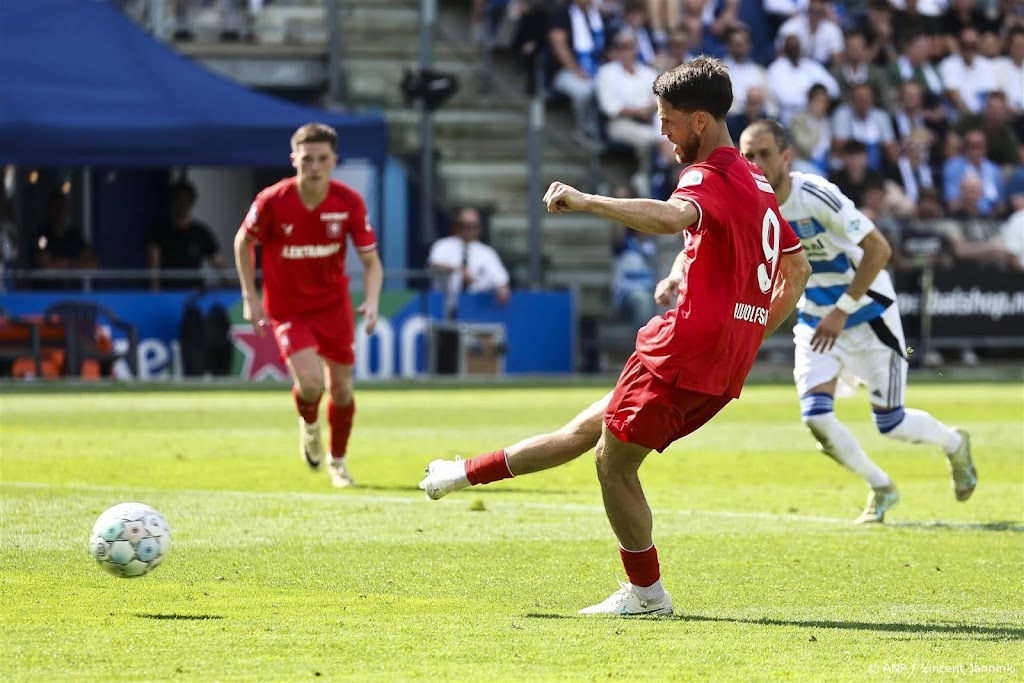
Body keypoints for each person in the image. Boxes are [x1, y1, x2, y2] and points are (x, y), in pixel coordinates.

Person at [419, 57, 812, 616]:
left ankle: (646, 593)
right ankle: (459, 473)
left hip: (684, 353)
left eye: (668, 119)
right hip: (718, 362)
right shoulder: (756, 181)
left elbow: (674, 218)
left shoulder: (708, 176)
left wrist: (586, 200)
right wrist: (746, 331)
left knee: (614, 462)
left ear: (699, 121)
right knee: (585, 431)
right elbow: (795, 271)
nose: (662, 131)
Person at [738, 119, 977, 524]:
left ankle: (955, 444)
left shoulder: (816, 194)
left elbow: (879, 250)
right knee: (816, 417)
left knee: (891, 422)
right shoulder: (749, 204)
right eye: (748, 156)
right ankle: (881, 486)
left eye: (764, 154)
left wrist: (841, 311)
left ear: (785, 156)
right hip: (816, 317)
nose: (756, 163)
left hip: (868, 314)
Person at [234, 122, 383, 489]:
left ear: (334, 160)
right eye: (307, 159)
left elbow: (371, 261)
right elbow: (242, 242)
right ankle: (311, 425)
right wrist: (250, 298)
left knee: (343, 390)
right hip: (288, 309)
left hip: (333, 306)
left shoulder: (348, 202)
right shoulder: (272, 200)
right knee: (313, 383)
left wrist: (373, 300)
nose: (314, 166)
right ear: (294, 159)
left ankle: (338, 461)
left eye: (322, 159)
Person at [427, 207, 511, 318]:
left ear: (479, 228)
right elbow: (433, 264)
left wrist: (502, 288)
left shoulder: (486, 253)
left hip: (476, 310)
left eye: (473, 226)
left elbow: (501, 279)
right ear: (457, 226)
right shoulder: (443, 246)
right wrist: (459, 270)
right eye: (464, 225)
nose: (468, 230)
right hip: (445, 308)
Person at [146, 178, 228, 290]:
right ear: (172, 201)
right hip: (168, 292)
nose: (183, 204)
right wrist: (155, 294)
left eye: (186, 200)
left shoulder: (201, 232)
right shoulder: (158, 231)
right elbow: (154, 267)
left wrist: (229, 285)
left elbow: (217, 262)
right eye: (178, 200)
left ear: (192, 202)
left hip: (195, 292)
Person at [33, 189, 98, 288]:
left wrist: (68, 264)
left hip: (73, 294)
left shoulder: (74, 235)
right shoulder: (43, 236)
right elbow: (46, 266)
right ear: (50, 210)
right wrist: (74, 265)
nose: (60, 212)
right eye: (56, 207)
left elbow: (93, 264)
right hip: (46, 294)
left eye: (63, 207)